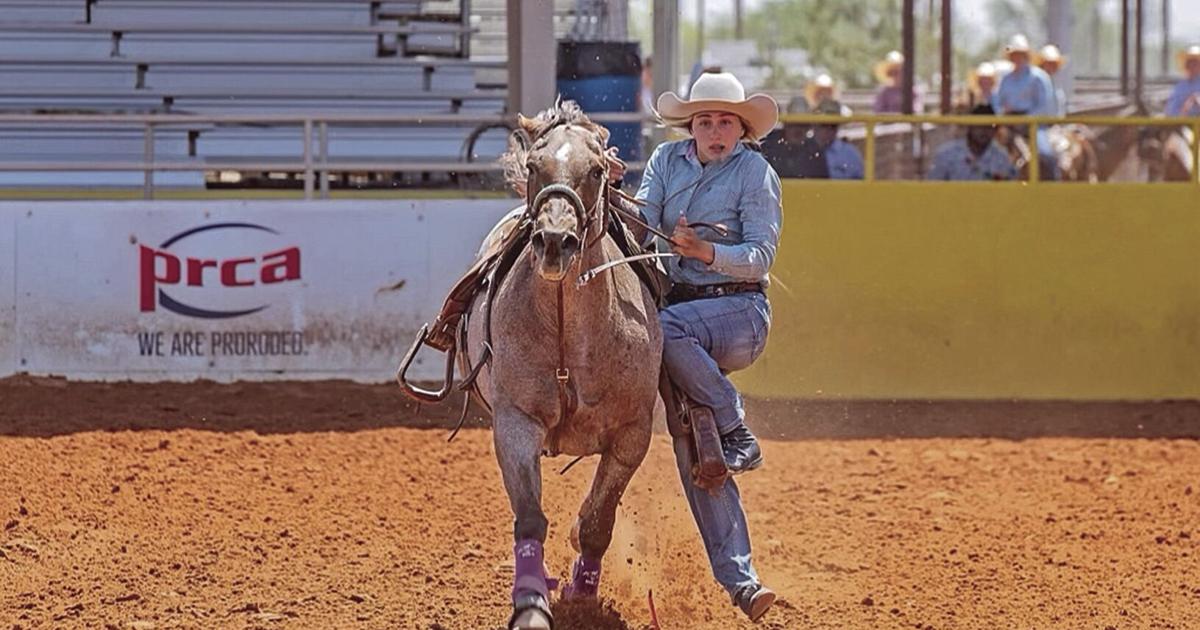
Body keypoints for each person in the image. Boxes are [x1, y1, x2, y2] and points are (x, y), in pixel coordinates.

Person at [642, 70, 781, 622]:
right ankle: (742, 582)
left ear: (742, 128)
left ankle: (733, 420)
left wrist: (704, 253)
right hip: (679, 310)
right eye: (705, 121)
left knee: (668, 333)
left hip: (740, 312)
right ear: (691, 126)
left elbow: (761, 256)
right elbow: (643, 219)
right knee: (696, 447)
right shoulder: (663, 163)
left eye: (725, 121)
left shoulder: (756, 173)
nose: (715, 131)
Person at [996, 34, 1059, 179]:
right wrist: (1004, 113)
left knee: (1045, 153)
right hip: (1009, 123)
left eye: (1020, 54)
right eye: (1014, 55)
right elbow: (999, 103)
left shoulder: (1039, 77)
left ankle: (1054, 184)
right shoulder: (1006, 79)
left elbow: (1044, 105)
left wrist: (1025, 119)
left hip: (1033, 124)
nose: (1017, 58)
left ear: (1026, 56)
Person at [928, 104, 1018, 181]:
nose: (984, 131)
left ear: (995, 130)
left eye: (989, 126)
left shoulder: (1002, 159)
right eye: (979, 125)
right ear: (970, 127)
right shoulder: (946, 155)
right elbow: (932, 189)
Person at [762, 96, 831, 179]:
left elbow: (822, 182)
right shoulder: (769, 144)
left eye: (803, 125)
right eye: (793, 124)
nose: (798, 130)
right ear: (785, 125)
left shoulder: (814, 150)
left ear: (809, 127)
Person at [812, 98, 864, 179]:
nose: (828, 130)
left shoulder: (850, 153)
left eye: (833, 125)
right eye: (824, 125)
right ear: (814, 125)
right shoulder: (802, 150)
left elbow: (860, 185)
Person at [1034, 44, 1068, 117]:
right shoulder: (1033, 85)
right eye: (1048, 64)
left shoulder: (1058, 91)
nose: (1050, 68)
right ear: (1042, 65)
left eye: (1053, 64)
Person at [1166, 45, 1200, 117]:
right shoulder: (1180, 86)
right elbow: (1171, 111)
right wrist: (1185, 108)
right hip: (1183, 124)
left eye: (1195, 62)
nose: (1192, 65)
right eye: (1189, 62)